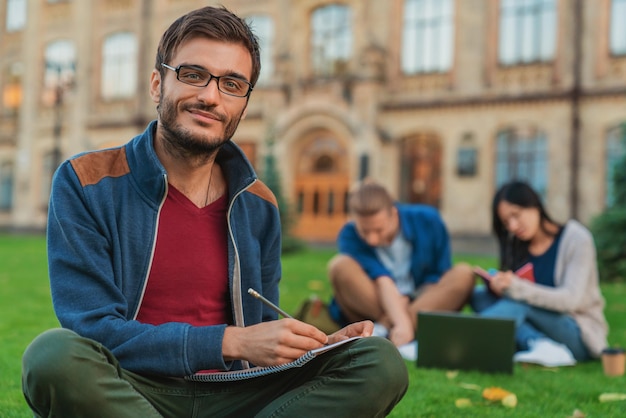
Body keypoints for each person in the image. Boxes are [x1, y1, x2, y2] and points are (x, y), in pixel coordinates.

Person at [21, 7, 408, 417]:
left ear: (243, 104)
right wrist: (231, 341)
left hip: (236, 392)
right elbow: (92, 328)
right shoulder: (87, 181)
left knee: (377, 361)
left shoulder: (258, 204)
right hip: (129, 386)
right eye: (192, 75)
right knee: (52, 355)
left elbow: (261, 342)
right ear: (157, 84)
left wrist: (315, 348)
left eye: (232, 84)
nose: (210, 96)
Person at [327, 179, 476, 360]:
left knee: (464, 273)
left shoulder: (428, 220)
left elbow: (438, 275)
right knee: (339, 266)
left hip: (423, 300)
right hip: (376, 300)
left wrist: (407, 305)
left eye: (378, 230)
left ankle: (382, 330)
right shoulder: (349, 234)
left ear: (394, 214)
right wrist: (400, 320)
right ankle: (403, 332)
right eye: (365, 231)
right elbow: (382, 280)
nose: (372, 240)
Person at [471, 180, 608, 367]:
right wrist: (500, 287)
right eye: (506, 222)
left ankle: (468, 340)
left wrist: (517, 288)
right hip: (537, 324)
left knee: (520, 303)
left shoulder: (577, 239)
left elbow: (570, 300)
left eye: (516, 215)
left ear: (534, 205)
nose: (512, 226)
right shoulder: (517, 245)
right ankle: (538, 344)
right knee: (479, 296)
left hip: (577, 331)